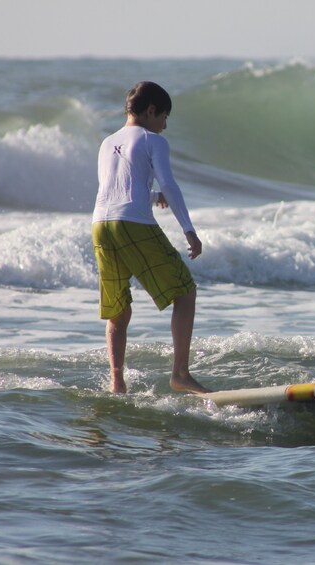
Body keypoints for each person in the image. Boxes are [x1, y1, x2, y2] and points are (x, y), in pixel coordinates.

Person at [92, 81, 209, 394]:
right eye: (164, 117)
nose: (165, 125)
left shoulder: (107, 142)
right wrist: (189, 230)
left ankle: (117, 382)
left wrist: (151, 194)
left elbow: (116, 187)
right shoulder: (152, 140)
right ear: (151, 110)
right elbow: (170, 184)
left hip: (101, 224)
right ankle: (181, 374)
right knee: (184, 292)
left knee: (118, 310)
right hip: (133, 224)